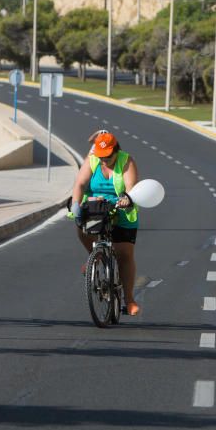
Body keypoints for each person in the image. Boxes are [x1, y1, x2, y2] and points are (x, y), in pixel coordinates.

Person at [70, 132, 141, 316]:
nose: (103, 160)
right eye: (100, 157)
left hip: (121, 208)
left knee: (124, 255)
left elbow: (131, 186)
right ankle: (94, 256)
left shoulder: (126, 161)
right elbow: (80, 183)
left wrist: (127, 198)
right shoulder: (93, 159)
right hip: (96, 207)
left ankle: (129, 298)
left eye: (107, 157)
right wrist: (76, 205)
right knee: (82, 227)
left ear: (116, 151)